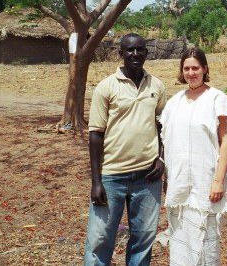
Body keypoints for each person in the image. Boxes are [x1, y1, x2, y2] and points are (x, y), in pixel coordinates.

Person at [83, 33, 166, 266]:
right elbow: (95, 134)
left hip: (148, 177)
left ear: (146, 53)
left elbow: (164, 127)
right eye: (129, 50)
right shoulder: (106, 87)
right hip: (112, 177)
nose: (135, 54)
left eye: (140, 50)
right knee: (100, 240)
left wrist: (162, 159)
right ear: (121, 54)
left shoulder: (156, 86)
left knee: (143, 239)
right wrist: (96, 181)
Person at [159, 47, 227, 265]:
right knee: (180, 237)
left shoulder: (217, 100)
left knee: (205, 239)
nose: (191, 73)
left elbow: (226, 141)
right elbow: (166, 140)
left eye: (195, 67)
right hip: (179, 182)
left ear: (205, 69)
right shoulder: (174, 102)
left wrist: (218, 181)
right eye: (186, 68)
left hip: (206, 182)